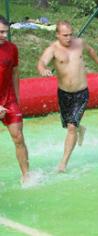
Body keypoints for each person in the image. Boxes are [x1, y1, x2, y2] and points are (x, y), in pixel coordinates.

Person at [37, 20, 98, 172]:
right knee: (69, 125)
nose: (69, 38)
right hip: (63, 94)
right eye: (65, 35)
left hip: (81, 93)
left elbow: (91, 51)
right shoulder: (53, 49)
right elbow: (41, 62)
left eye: (70, 34)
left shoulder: (79, 43)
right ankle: (80, 128)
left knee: (71, 127)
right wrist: (43, 69)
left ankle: (63, 163)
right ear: (57, 35)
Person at [0, 15, 30, 183]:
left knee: (18, 137)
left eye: (6, 32)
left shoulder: (12, 48)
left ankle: (27, 176)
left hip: (9, 100)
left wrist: (17, 99)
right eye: (1, 32)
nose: (4, 35)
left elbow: (15, 73)